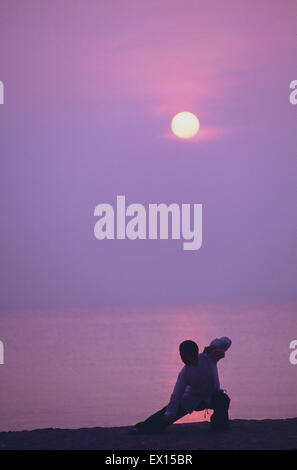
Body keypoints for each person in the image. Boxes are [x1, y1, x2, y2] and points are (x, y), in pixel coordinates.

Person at [129, 337, 231, 434]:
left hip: (211, 396)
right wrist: (169, 414)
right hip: (192, 399)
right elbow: (176, 395)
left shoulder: (210, 357)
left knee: (223, 400)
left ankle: (219, 426)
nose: (182, 358)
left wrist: (214, 345)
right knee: (166, 415)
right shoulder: (185, 373)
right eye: (181, 355)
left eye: (184, 355)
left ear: (194, 354)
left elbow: (227, 341)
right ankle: (140, 428)